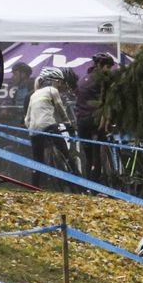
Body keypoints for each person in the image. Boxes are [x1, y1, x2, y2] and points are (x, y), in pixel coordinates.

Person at [23, 67, 73, 188]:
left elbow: (26, 119)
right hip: (49, 126)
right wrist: (68, 123)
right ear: (53, 81)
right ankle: (75, 178)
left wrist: (31, 128)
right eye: (59, 81)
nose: (60, 84)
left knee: (37, 160)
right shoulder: (52, 90)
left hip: (34, 131)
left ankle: (34, 187)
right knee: (65, 152)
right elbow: (60, 109)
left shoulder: (33, 94)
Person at [74, 52, 116, 180]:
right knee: (96, 152)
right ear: (99, 65)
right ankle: (97, 187)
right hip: (95, 120)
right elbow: (108, 101)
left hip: (81, 121)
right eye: (107, 67)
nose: (109, 70)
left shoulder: (82, 79)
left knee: (88, 156)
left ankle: (89, 186)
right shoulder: (103, 80)